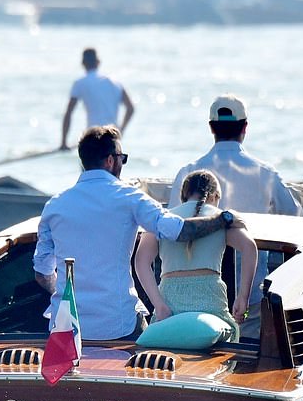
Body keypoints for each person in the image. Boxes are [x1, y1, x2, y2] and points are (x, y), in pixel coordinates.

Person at [34, 125, 242, 341]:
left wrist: (67, 296)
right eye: (122, 158)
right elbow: (178, 231)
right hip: (117, 325)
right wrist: (222, 218)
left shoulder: (55, 206)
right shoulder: (130, 198)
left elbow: (42, 272)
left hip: (66, 326)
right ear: (110, 161)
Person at [169, 94, 301, 339]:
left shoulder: (189, 172)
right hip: (248, 293)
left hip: (193, 297)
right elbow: (293, 216)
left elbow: (172, 225)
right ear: (245, 128)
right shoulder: (265, 173)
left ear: (211, 128)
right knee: (248, 349)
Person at [135, 170, 258, 341]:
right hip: (210, 297)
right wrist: (242, 298)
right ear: (215, 196)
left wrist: (159, 305)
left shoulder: (164, 219)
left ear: (183, 195)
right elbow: (250, 248)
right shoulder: (222, 219)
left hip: (170, 298)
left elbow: (141, 261)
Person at [60, 48, 134, 151]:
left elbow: (69, 112)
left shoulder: (80, 83)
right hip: (113, 139)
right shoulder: (115, 82)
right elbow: (130, 108)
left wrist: (63, 142)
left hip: (93, 139)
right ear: (98, 62)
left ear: (83, 63)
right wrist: (121, 130)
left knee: (91, 167)